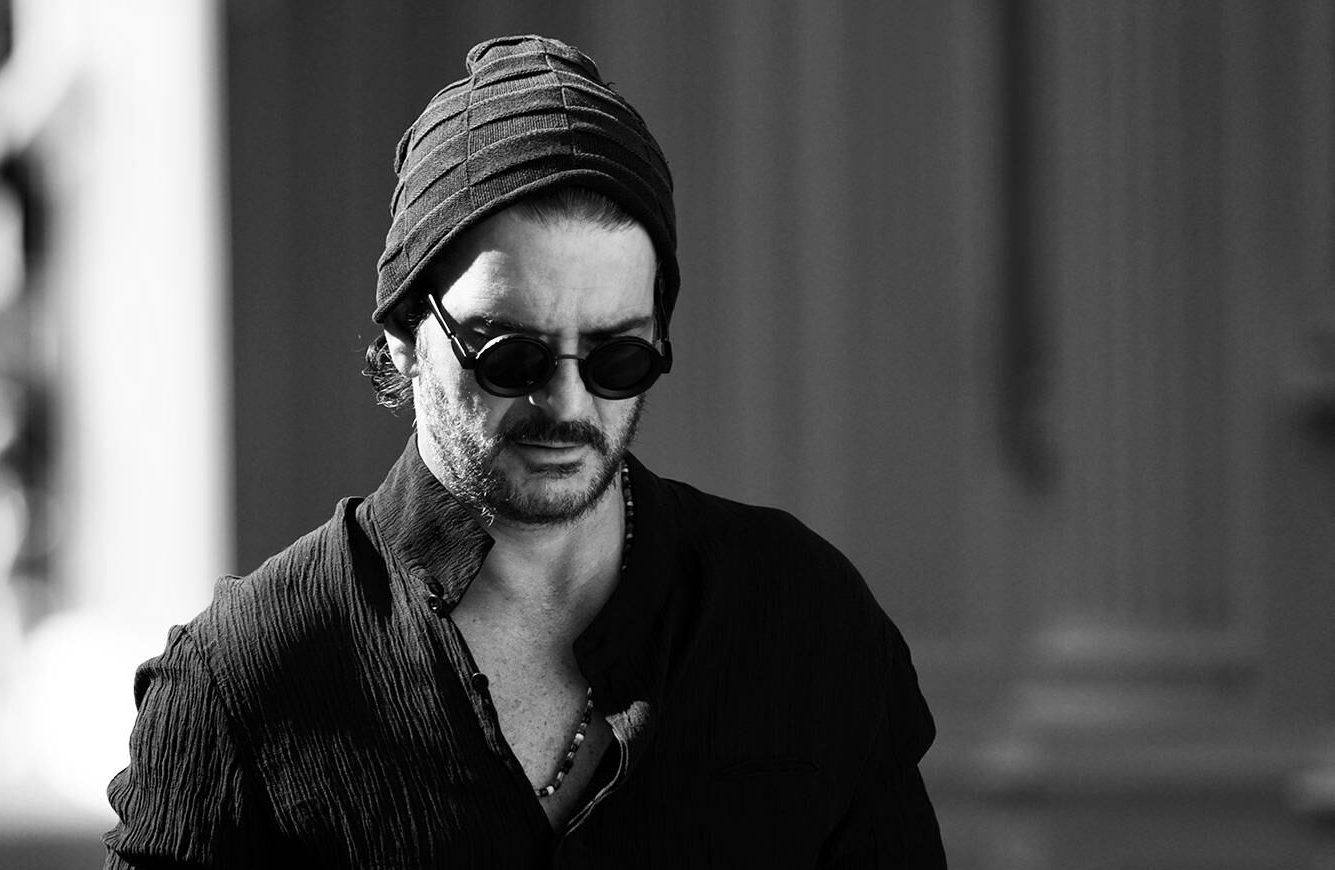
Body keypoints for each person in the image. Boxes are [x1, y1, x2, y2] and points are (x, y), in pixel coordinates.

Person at [103, 34, 945, 868]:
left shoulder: (804, 621)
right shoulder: (243, 680)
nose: (568, 405)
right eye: (512, 357)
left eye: (618, 357)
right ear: (404, 335)